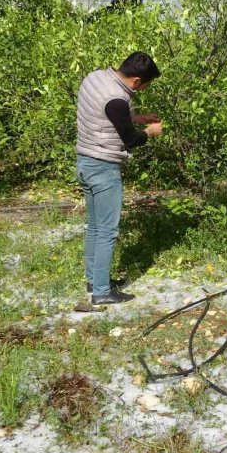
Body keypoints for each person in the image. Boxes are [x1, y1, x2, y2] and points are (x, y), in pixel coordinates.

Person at [75, 52, 162, 305]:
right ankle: (102, 293)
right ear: (136, 81)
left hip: (84, 162)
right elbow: (131, 140)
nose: (143, 89)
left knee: (94, 226)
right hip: (103, 168)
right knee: (107, 231)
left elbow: (104, 116)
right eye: (145, 85)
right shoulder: (117, 99)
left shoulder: (95, 78)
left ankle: (94, 280)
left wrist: (136, 118)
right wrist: (149, 131)